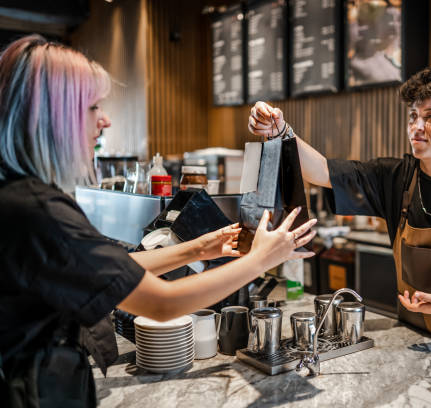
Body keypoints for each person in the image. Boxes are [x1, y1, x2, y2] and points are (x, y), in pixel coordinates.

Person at [0, 34, 317, 407]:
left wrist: (199, 248)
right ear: (52, 117)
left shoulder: (19, 197)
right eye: (92, 106)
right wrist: (260, 259)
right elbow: (161, 303)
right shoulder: (37, 212)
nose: (105, 120)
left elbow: (115, 271)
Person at [248, 65, 431, 354]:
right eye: (413, 116)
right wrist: (281, 132)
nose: (417, 126)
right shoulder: (396, 178)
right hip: (416, 338)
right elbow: (322, 171)